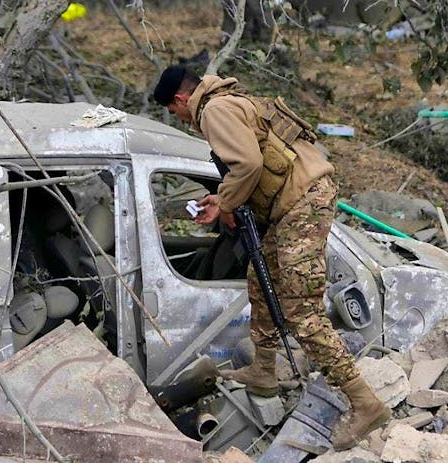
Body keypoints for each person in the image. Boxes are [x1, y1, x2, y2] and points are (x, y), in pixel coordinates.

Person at [152, 65, 390, 450]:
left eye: (173, 111)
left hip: (302, 204)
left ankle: (365, 402)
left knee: (302, 313)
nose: (178, 118)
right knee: (259, 279)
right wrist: (222, 198)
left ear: (180, 100)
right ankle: (264, 369)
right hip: (293, 203)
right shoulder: (229, 99)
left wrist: (224, 202)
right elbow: (252, 164)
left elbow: (247, 164)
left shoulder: (213, 111)